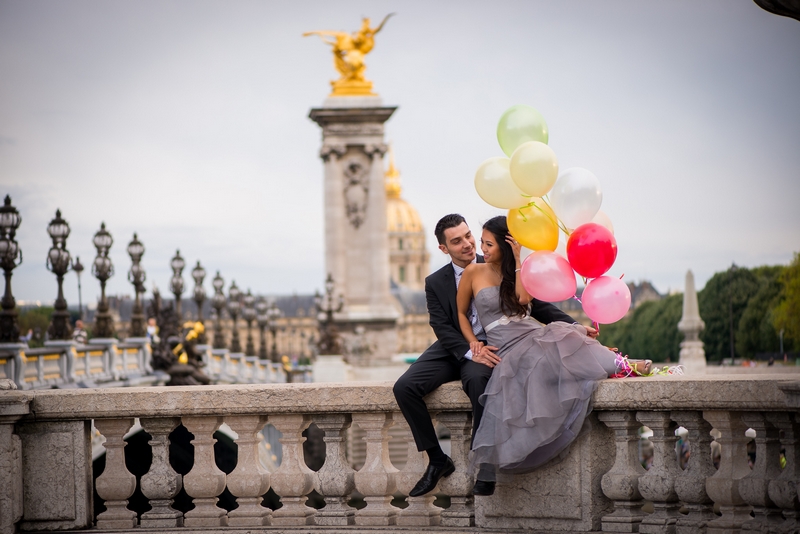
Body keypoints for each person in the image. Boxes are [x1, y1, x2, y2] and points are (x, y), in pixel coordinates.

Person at [393, 214, 582, 498]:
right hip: (455, 346)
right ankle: (437, 458)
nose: (469, 244)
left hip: (496, 345)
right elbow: (442, 326)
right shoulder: (435, 281)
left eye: (469, 236)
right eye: (457, 241)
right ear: (444, 249)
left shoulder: (495, 263)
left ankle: (485, 463)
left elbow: (537, 306)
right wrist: (470, 350)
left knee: (480, 383)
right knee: (404, 388)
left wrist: (575, 326)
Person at [458, 216, 648, 483]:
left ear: (505, 244)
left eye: (489, 244)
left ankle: (623, 364)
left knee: (565, 334)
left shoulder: (522, 270)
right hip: (505, 345)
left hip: (528, 333)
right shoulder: (472, 272)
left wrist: (519, 258)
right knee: (553, 350)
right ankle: (619, 363)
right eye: (482, 243)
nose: (483, 249)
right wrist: (472, 342)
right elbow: (461, 314)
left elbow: (523, 299)